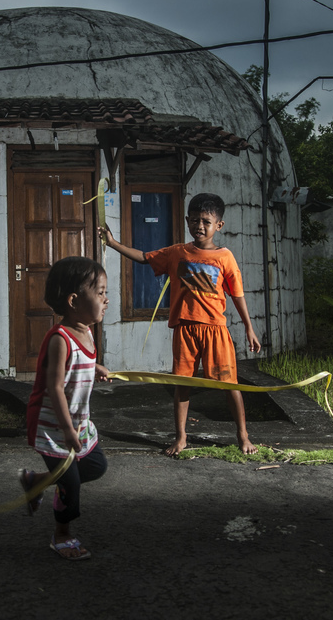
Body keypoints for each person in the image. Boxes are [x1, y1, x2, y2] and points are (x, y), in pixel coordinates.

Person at [100, 192, 262, 456]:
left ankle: (243, 436)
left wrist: (249, 327)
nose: (200, 226)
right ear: (187, 220)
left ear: (218, 225)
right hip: (185, 329)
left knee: (229, 384)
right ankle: (181, 437)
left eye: (206, 222)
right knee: (182, 384)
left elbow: (237, 294)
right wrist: (113, 242)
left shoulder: (225, 257)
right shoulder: (177, 252)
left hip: (216, 330)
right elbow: (143, 257)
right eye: (195, 220)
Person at [19, 256, 111, 561]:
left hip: (77, 422)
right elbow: (55, 386)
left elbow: (77, 363)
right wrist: (68, 430)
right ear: (74, 301)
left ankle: (35, 482)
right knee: (70, 486)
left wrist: (93, 365)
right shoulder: (60, 339)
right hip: (53, 425)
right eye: (99, 293)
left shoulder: (86, 332)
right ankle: (62, 535)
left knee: (96, 466)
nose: (105, 299)